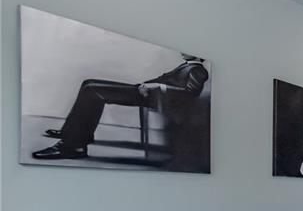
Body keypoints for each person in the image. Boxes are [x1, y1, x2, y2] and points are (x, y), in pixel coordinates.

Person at [32, 54, 209, 160]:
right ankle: (72, 132)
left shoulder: (198, 70)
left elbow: (189, 93)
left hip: (158, 100)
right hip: (147, 93)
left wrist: (157, 87)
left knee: (93, 90)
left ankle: (72, 146)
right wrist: (146, 84)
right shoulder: (187, 66)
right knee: (89, 84)